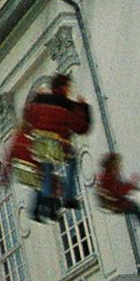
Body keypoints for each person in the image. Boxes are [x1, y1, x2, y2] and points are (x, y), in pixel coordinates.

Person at [21, 74, 91, 223]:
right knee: (71, 161)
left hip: (40, 144)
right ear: (63, 87)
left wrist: (35, 98)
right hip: (58, 144)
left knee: (45, 169)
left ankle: (45, 202)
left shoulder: (40, 101)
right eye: (68, 87)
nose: (69, 90)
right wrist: (84, 107)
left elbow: (27, 118)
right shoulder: (67, 104)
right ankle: (68, 196)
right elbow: (81, 127)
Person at [95, 151, 140, 229]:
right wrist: (132, 185)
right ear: (112, 165)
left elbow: (120, 187)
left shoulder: (110, 176)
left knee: (134, 207)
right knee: (133, 208)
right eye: (118, 164)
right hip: (116, 203)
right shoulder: (108, 177)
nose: (120, 166)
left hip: (116, 201)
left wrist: (131, 186)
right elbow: (118, 190)